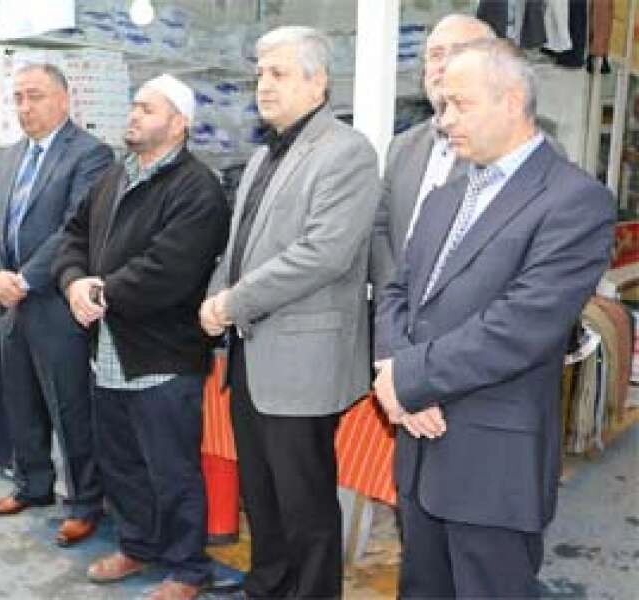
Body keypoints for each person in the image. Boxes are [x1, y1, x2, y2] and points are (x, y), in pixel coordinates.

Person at [374, 39, 615, 598]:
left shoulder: (575, 200)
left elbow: (521, 325)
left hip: (492, 464)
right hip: (419, 448)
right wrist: (395, 372)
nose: (444, 121)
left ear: (511, 101)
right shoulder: (446, 196)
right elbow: (398, 291)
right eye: (441, 106)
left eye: (459, 104)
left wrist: (410, 379)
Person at [200, 26, 379, 599]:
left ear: (317, 81)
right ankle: (266, 586)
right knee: (261, 494)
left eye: (277, 73)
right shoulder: (261, 156)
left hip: (303, 360)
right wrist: (214, 298)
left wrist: (231, 303)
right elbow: (240, 247)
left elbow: (323, 254)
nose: (264, 85)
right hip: (251, 354)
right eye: (260, 74)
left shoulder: (347, 152)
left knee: (305, 505)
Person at [53, 73, 228, 600]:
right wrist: (73, 280)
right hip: (106, 352)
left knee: (171, 470)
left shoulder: (198, 188)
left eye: (147, 109)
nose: (133, 115)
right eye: (134, 105)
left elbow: (169, 268)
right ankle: (137, 545)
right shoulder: (115, 176)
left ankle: (187, 568)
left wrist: (99, 292)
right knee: (122, 464)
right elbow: (72, 235)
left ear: (179, 124)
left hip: (162, 357)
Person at [0, 62, 112, 546]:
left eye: (34, 96)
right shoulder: (12, 155)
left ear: (64, 99)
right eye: (17, 97)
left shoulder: (91, 154)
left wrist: (25, 279)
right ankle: (32, 484)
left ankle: (84, 503)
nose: (24, 107)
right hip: (10, 300)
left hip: (56, 301)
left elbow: (75, 227)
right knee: (20, 398)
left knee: (68, 405)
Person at [370, 14, 495, 293]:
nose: (444, 65)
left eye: (458, 53)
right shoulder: (403, 147)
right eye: (435, 55)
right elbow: (380, 231)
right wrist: (394, 300)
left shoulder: (513, 150)